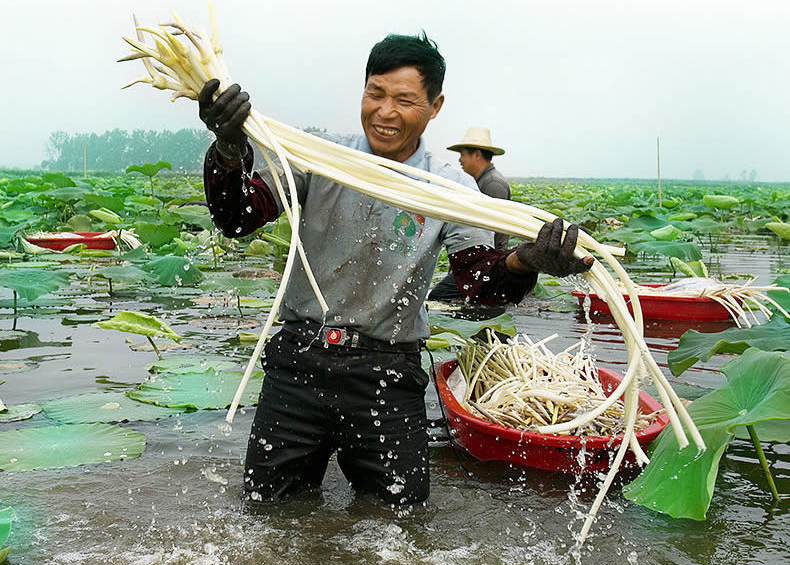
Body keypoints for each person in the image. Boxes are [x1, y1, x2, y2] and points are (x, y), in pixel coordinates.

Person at [198, 32, 593, 507]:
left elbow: (478, 282)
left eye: (404, 100)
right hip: (299, 364)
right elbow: (238, 217)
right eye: (375, 94)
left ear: (435, 105)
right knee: (269, 514)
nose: (385, 113)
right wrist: (228, 148)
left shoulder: (447, 188)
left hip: (386, 371)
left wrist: (525, 260)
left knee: (399, 523)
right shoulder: (319, 159)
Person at [429, 127, 512, 301]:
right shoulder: (477, 182)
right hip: (477, 263)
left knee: (438, 297)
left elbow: (489, 233)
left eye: (463, 153)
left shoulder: (493, 184)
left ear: (477, 155)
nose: (460, 159)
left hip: (486, 265)